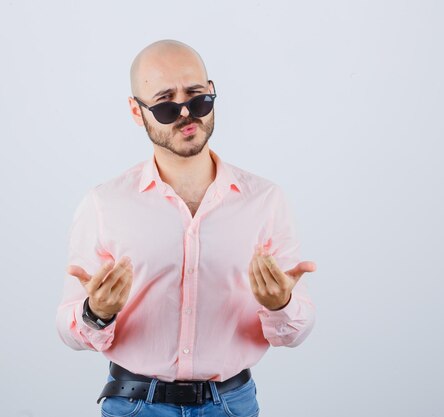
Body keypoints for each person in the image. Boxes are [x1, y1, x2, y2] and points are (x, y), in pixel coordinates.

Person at [55, 39, 317, 417]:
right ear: (136, 111)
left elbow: (297, 330)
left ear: (212, 93)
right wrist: (97, 312)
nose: (185, 113)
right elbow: (67, 328)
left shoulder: (265, 200)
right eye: (164, 104)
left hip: (232, 404)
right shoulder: (105, 203)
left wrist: (282, 304)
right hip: (135, 404)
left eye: (197, 99)